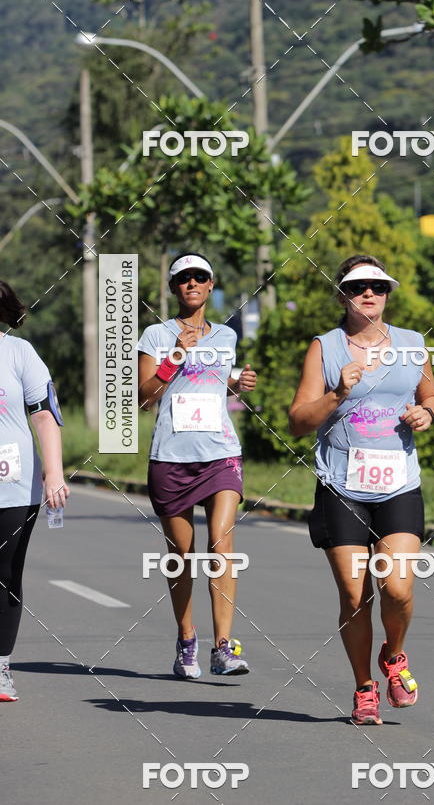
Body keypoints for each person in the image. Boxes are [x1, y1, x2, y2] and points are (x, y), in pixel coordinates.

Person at [289, 255, 434, 725]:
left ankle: (394, 657)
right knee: (355, 597)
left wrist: (428, 413)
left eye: (377, 286)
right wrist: (336, 394)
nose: (369, 293)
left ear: (387, 293)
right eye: (357, 288)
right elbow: (297, 421)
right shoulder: (325, 348)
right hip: (342, 486)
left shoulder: (413, 344)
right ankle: (363, 688)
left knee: (396, 587)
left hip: (398, 483)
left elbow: (431, 394)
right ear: (342, 297)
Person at [137, 252, 256, 679]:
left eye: (199, 277)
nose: (191, 283)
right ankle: (187, 638)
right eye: (183, 278)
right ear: (173, 288)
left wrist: (236, 382)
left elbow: (213, 380)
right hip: (171, 456)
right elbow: (144, 397)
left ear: (210, 285)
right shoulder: (155, 334)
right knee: (181, 556)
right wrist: (174, 358)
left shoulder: (225, 335)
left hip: (220, 452)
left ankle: (223, 646)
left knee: (221, 546)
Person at [0, 281, 70, 702]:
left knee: (5, 576)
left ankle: (1, 666)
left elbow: (43, 414)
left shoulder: (19, 352)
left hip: (12, 485)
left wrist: (54, 473)